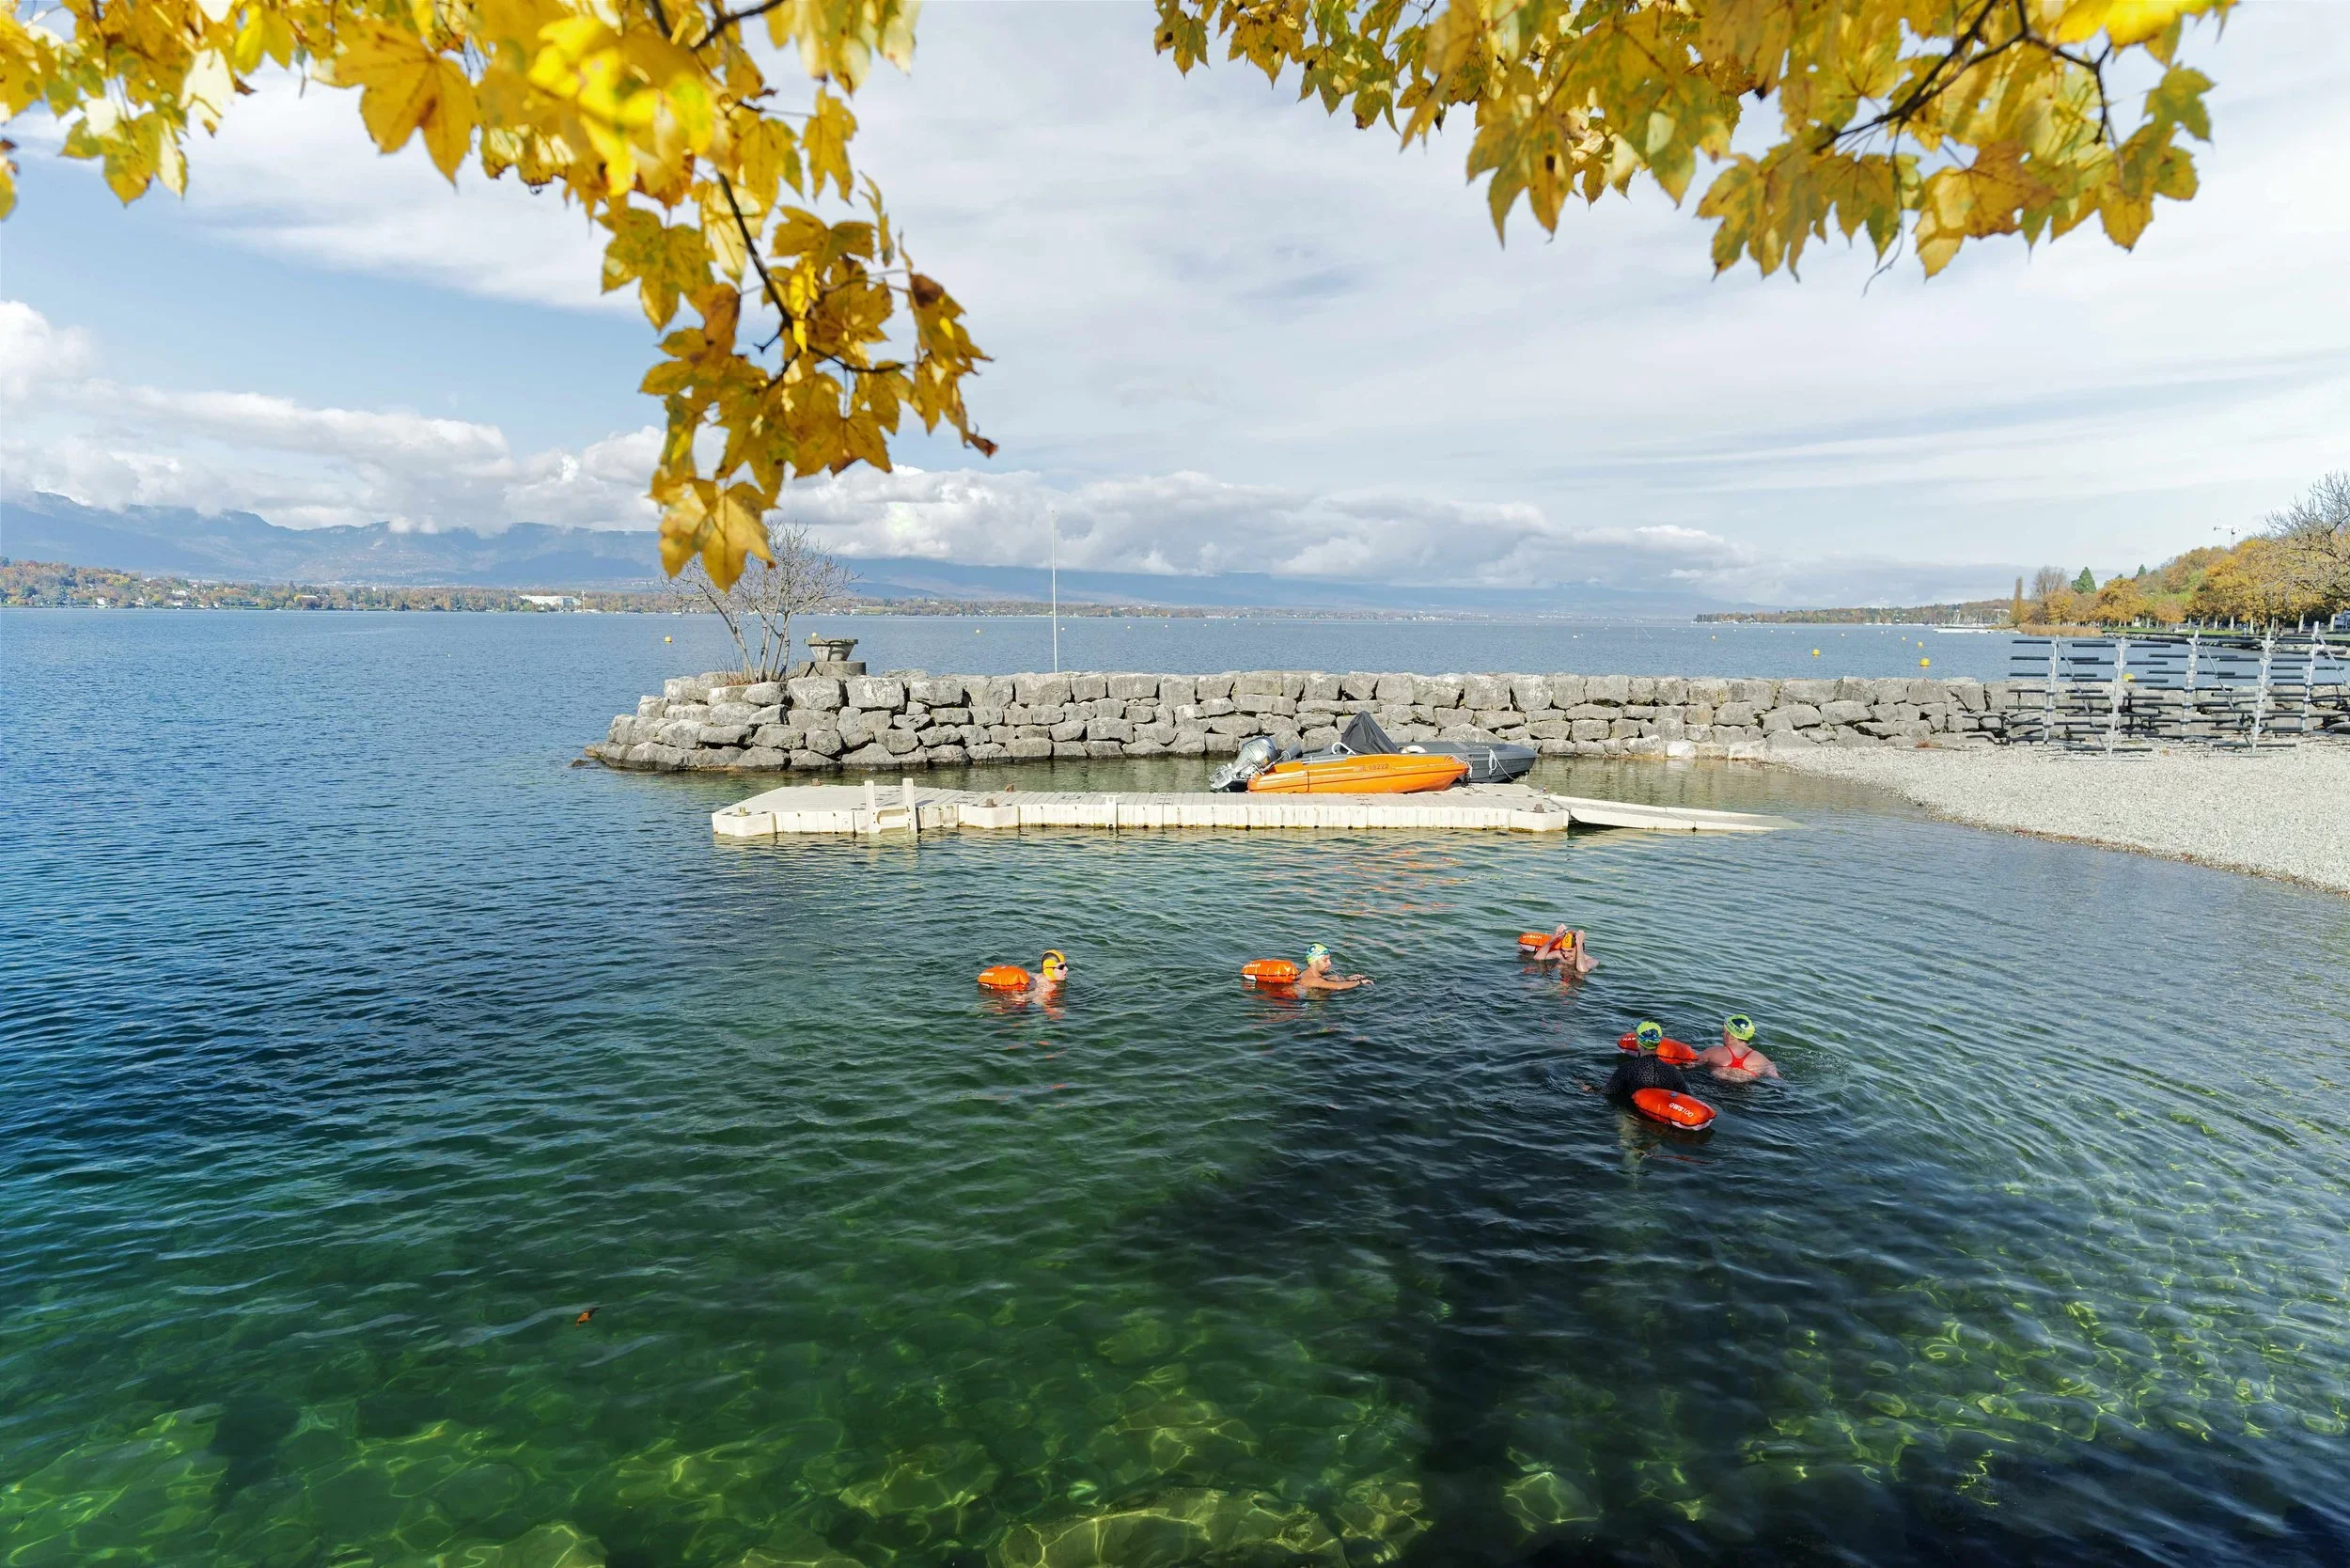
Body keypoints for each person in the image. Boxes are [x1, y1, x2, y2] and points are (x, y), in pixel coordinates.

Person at [1694, 1014, 1779, 1081]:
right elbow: (1777, 1080)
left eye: (1724, 1031)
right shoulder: (1763, 1060)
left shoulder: (1713, 1052)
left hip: (1718, 1086)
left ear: (1732, 1035)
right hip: (1745, 1092)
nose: (1722, 1034)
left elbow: (1690, 1065)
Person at [1296, 943, 1372, 993]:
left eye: (1329, 959)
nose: (1330, 963)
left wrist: (1347, 979)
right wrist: (1360, 982)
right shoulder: (1312, 980)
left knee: (1334, 978)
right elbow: (1338, 987)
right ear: (1312, 963)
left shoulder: (1307, 974)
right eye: (1325, 960)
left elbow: (1325, 981)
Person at [1528, 925, 1598, 977]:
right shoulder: (1560, 954)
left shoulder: (1591, 961)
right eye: (1563, 950)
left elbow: (1582, 971)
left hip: (1574, 984)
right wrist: (1553, 937)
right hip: (1554, 978)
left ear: (1578, 948)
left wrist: (1579, 944)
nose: (1565, 955)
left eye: (1570, 951)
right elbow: (1537, 958)